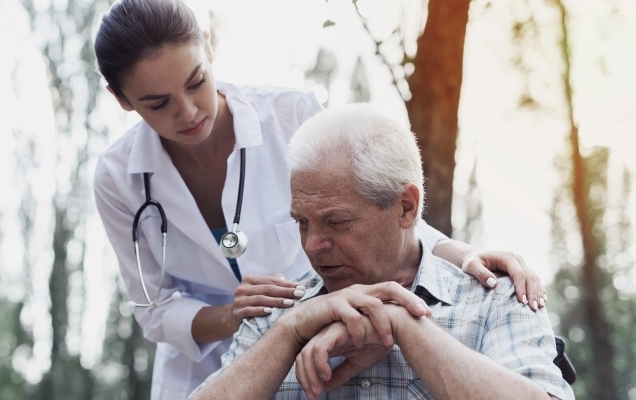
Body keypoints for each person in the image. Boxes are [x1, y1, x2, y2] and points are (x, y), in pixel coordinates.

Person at [92, 0, 546, 398]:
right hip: (210, 364)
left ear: (209, 49)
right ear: (122, 99)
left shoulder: (291, 115)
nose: (188, 112)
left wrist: (466, 257)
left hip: (332, 327)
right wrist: (238, 317)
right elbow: (153, 309)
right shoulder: (117, 178)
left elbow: (376, 206)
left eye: (196, 82)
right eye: (158, 103)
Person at [190, 103, 574, 400]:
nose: (310, 245)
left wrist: (401, 321)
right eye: (301, 223)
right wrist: (290, 331)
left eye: (336, 222)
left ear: (406, 207)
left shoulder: (497, 298)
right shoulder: (275, 315)